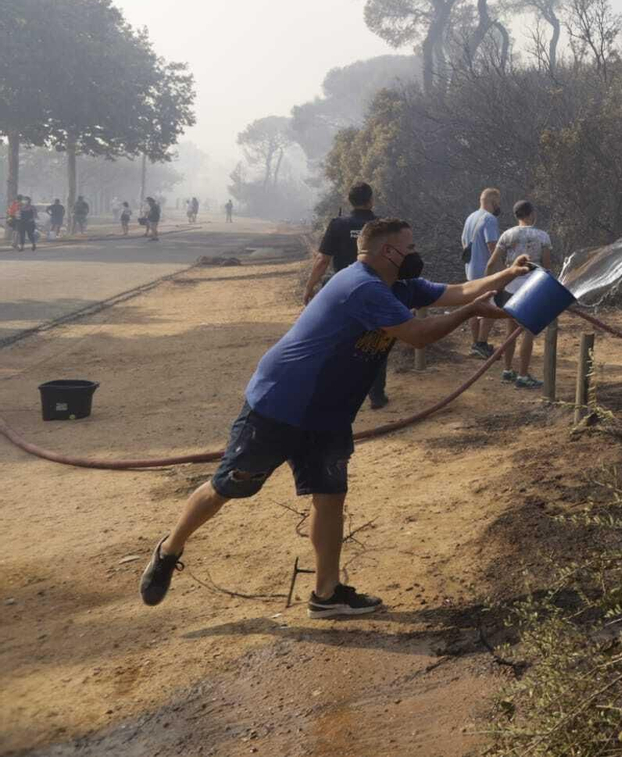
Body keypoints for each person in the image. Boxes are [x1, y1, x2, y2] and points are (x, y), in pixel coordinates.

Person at [140, 218, 535, 618]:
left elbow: (456, 291)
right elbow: (417, 334)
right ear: (387, 253)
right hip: (280, 406)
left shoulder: (397, 285)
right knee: (226, 488)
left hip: (327, 414)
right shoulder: (361, 287)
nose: (415, 254)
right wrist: (470, 313)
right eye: (409, 248)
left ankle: (325, 594)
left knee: (330, 498)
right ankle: (170, 549)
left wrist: (508, 274)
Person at [305, 183, 391, 408]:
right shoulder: (381, 226)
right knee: (376, 340)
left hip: (341, 291)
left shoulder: (338, 224)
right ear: (371, 200)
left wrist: (310, 287)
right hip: (375, 289)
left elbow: (323, 260)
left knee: (339, 341)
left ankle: (337, 392)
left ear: (350, 201)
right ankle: (377, 395)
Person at [485, 200, 555, 387]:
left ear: (517, 215)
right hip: (532, 288)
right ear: (531, 214)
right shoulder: (542, 236)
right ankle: (523, 375)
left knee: (511, 331)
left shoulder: (507, 235)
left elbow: (491, 264)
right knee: (528, 332)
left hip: (510, 287)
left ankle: (507, 370)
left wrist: (498, 281)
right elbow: (547, 267)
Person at [461, 187, 503, 358]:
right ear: (493, 201)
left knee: (475, 307)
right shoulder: (490, 219)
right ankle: (481, 344)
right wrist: (502, 271)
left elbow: (463, 242)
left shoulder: (471, 217)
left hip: (470, 272)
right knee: (490, 308)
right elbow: (493, 246)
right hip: (486, 272)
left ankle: (475, 344)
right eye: (498, 202)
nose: (499, 206)